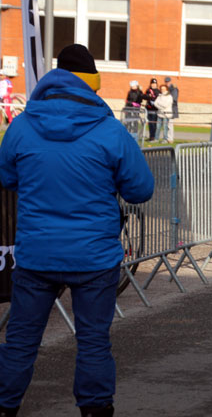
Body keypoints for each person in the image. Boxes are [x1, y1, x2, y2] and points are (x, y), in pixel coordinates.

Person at [0, 44, 154, 417]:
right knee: (93, 341)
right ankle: (95, 409)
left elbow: (7, 178)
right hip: (94, 256)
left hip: (37, 252)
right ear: (91, 87)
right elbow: (141, 189)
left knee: (20, 341)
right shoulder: (110, 131)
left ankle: (5, 407)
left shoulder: (21, 126)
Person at [164, 77, 179, 142]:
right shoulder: (167, 89)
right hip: (167, 108)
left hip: (172, 108)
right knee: (166, 124)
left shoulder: (174, 89)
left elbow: (174, 99)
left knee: (170, 124)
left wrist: (167, 100)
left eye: (168, 82)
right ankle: (167, 138)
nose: (167, 83)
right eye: (166, 82)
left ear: (170, 81)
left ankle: (170, 139)